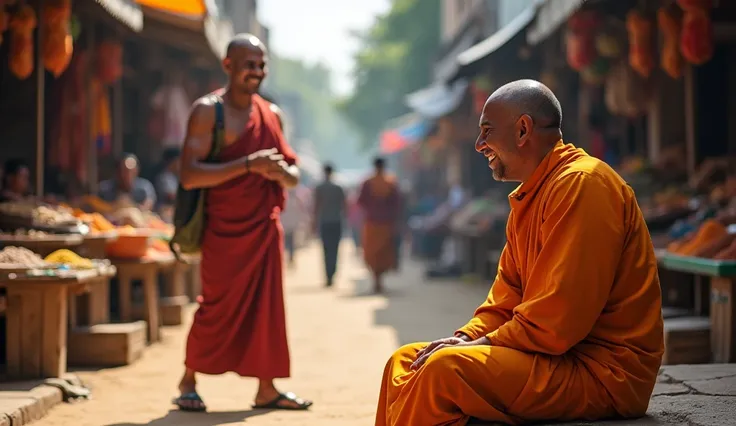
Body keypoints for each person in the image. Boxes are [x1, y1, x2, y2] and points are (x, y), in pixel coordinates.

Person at [375, 80, 663, 425]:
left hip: (601, 371)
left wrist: (479, 345)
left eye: (487, 131)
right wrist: (464, 337)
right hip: (555, 358)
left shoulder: (583, 184)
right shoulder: (532, 196)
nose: (480, 145)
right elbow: (504, 300)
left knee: (442, 371)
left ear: (523, 129)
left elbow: (558, 321)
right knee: (406, 360)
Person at [173, 33, 312, 412]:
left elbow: (295, 175)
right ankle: (189, 379)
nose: (256, 72)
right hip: (224, 229)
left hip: (264, 229)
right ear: (228, 66)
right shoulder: (208, 111)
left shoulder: (272, 114)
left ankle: (266, 387)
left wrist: (279, 172)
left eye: (261, 64)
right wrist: (248, 165)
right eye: (248, 64)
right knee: (215, 306)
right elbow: (189, 175)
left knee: (267, 310)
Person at [358, 157, 401, 293]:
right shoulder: (391, 182)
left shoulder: (368, 182)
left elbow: (361, 201)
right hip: (386, 223)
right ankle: (379, 280)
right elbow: (397, 204)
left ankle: (377, 280)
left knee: (373, 252)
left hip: (372, 222)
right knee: (383, 252)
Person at [313, 163, 346, 287]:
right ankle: (332, 274)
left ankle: (328, 275)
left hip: (325, 222)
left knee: (326, 249)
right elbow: (344, 206)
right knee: (335, 249)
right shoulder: (338, 187)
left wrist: (314, 222)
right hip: (336, 221)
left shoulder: (320, 188)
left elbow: (316, 206)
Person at [154, 148, 181, 222]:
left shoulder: (176, 177)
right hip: (163, 213)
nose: (179, 164)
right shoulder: (164, 177)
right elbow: (171, 197)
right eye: (178, 161)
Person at [282, 185, 307, 266]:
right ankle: (289, 257)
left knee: (288, 242)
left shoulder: (287, 198)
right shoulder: (295, 199)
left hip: (287, 224)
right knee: (289, 242)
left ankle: (289, 257)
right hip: (288, 224)